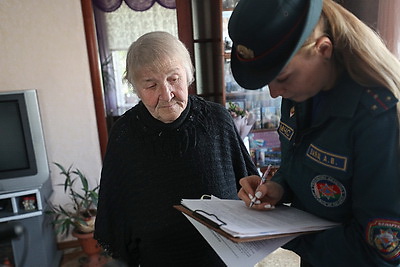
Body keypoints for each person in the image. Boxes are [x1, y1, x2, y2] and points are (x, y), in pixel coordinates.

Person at [228, 0, 400, 266]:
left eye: (282, 78)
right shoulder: (302, 91)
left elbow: (381, 251)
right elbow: (302, 160)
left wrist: (283, 235)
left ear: (323, 49)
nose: (274, 93)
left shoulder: (378, 117)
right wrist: (279, 187)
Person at [94, 31, 258, 266]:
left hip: (224, 258)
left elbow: (247, 185)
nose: (166, 94)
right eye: (151, 85)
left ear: (189, 75)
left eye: (174, 79)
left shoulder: (217, 119)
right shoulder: (125, 133)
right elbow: (117, 212)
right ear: (136, 89)